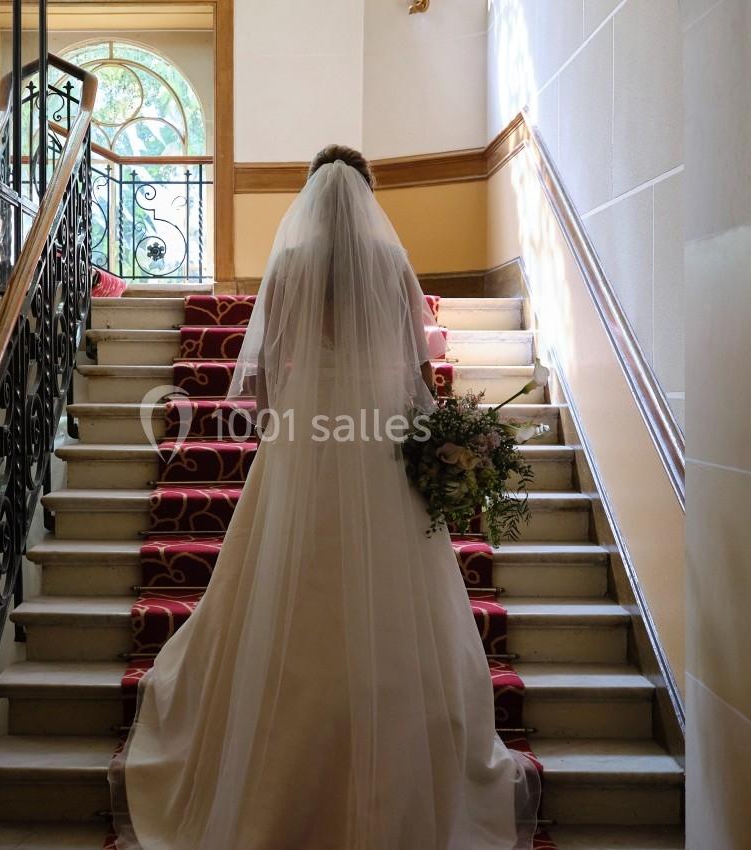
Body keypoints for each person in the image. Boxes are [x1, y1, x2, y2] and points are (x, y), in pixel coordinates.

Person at [109, 145, 541, 850]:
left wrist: (283, 433)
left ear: (310, 196)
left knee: (286, 579)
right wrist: (431, 434)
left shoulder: (290, 262)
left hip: (308, 432)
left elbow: (268, 370)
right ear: (367, 196)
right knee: (396, 593)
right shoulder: (392, 264)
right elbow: (419, 365)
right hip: (379, 437)